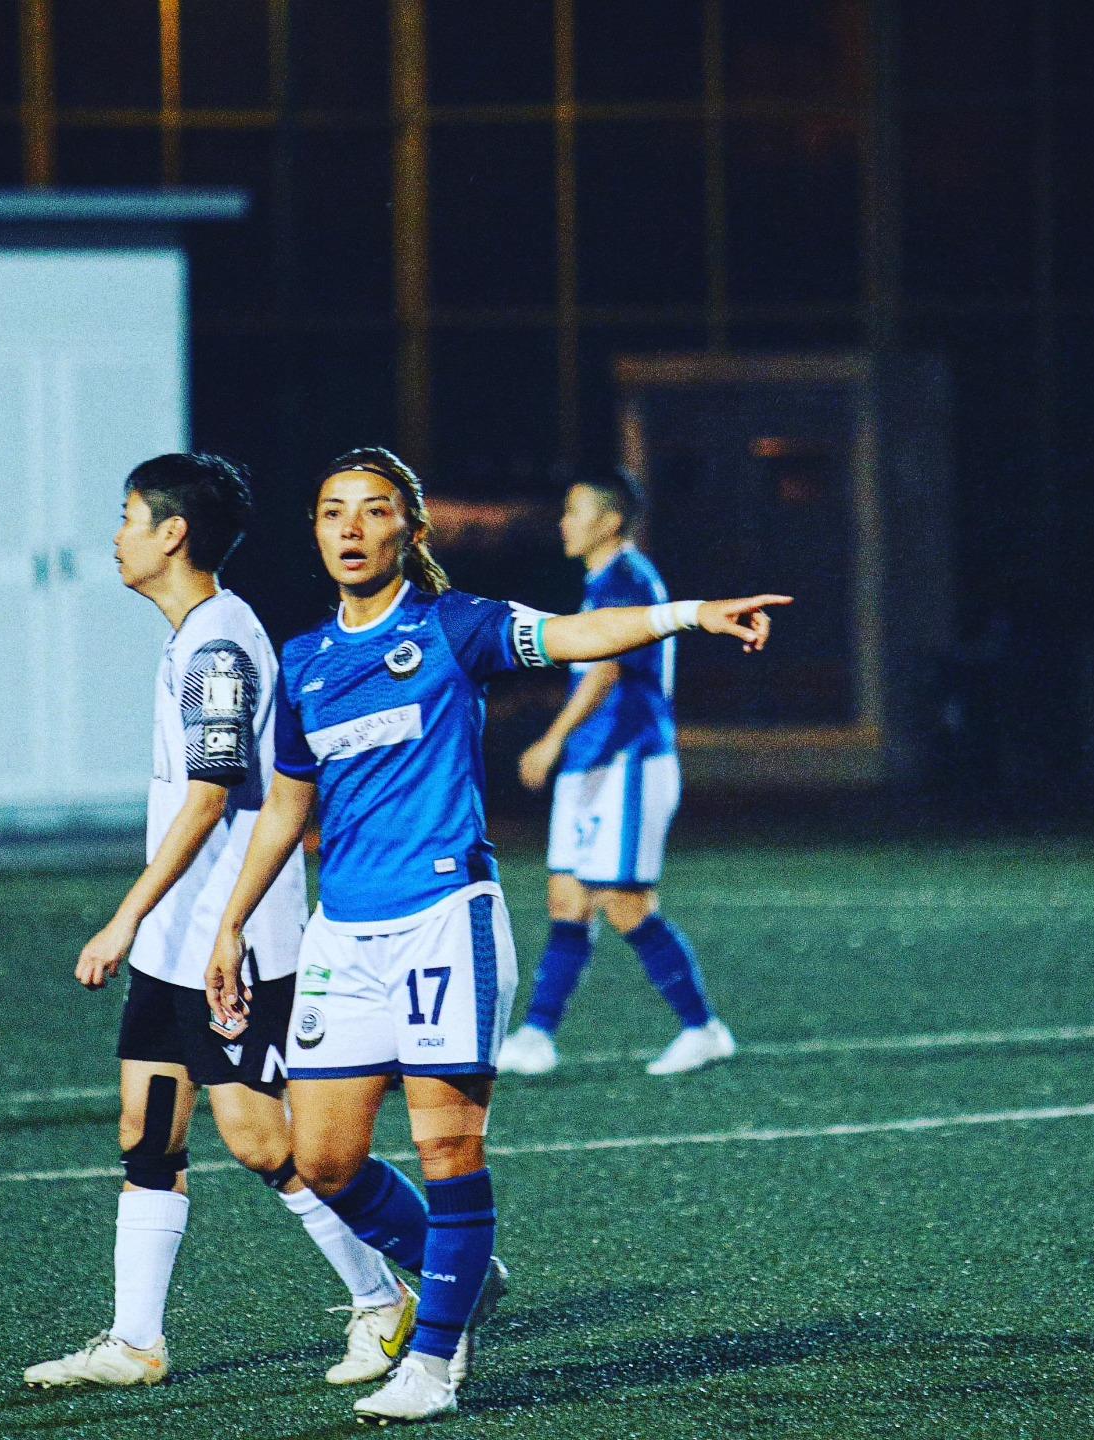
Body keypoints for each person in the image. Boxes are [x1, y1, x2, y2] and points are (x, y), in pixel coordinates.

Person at [204, 446, 789, 1425]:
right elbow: (285, 811)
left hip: (444, 921)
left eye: (374, 509)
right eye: (333, 511)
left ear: (410, 530)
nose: (351, 527)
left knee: (447, 1150)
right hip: (343, 936)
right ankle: (460, 1270)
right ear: (314, 531)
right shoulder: (303, 662)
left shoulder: (454, 626)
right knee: (325, 1161)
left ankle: (434, 1363)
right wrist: (232, 925)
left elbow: (576, 635)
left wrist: (690, 613)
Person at [23, 453, 413, 1393]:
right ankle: (136, 1342)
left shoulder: (219, 648)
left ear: (172, 534)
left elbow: (209, 795)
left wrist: (122, 920)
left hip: (230, 945)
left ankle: (386, 1297)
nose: (116, 536)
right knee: (148, 1130)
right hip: (177, 944)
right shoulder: (194, 635)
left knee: (263, 1142)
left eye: (128, 516)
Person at [499, 470, 734, 1079]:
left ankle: (702, 1028)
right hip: (593, 762)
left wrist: (551, 739)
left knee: (624, 901)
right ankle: (537, 1036)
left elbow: (605, 670)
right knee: (567, 898)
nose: (563, 522)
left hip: (629, 759)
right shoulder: (601, 582)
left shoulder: (628, 580)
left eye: (574, 511)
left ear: (609, 521)